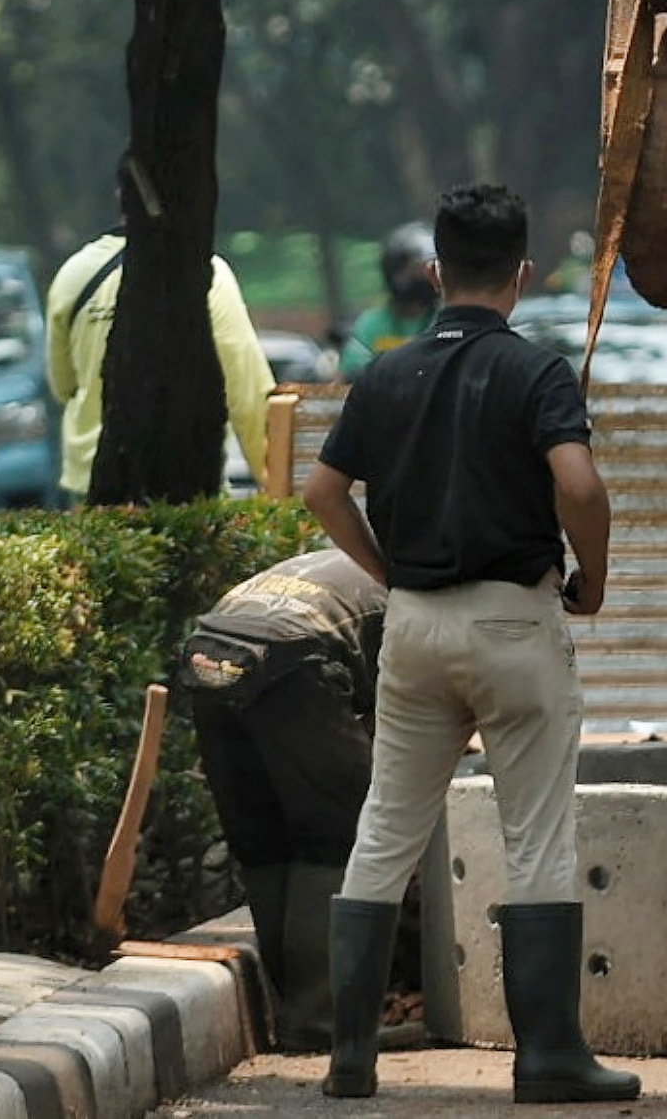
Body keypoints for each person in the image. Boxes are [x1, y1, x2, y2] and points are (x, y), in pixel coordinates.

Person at [298, 181, 635, 1104]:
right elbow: (582, 484)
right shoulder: (537, 373)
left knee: (386, 830)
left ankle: (351, 1058)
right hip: (514, 621)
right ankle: (549, 1057)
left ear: (437, 271)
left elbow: (323, 492)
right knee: (535, 840)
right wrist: (591, 579)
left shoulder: (385, 372)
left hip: (413, 625)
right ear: (522, 276)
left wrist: (388, 572)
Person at [175, 549, 388, 1051]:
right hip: (296, 657)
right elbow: (402, 714)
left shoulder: (331, 561)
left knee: (263, 838)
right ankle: (319, 1022)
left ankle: (290, 1004)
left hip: (209, 651)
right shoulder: (406, 588)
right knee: (338, 837)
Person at [44, 178, 275, 499]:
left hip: (93, 481)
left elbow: (63, 385)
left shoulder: (73, 274)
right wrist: (275, 486)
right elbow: (246, 391)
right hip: (186, 480)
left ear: (119, 197)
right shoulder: (207, 273)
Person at [340, 223, 437, 378]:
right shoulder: (371, 324)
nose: (425, 275)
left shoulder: (444, 317)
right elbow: (352, 369)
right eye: (415, 269)